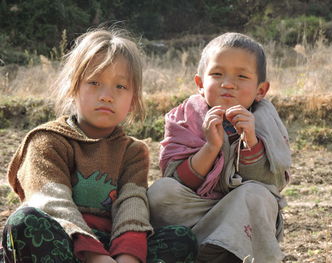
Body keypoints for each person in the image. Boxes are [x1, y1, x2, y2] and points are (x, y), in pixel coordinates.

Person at [0, 27, 197, 263]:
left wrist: (127, 258)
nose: (106, 95)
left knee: (182, 239)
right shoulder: (47, 140)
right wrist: (96, 258)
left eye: (120, 87)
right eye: (94, 82)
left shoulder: (132, 151)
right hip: (62, 241)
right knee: (25, 223)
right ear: (74, 87)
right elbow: (52, 202)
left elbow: (132, 206)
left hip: (113, 247)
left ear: (133, 99)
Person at [147, 32, 291, 263]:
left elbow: (270, 182)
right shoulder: (185, 117)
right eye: (216, 74)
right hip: (195, 211)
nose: (228, 84)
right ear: (200, 84)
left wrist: (251, 141)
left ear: (261, 90)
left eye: (242, 76)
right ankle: (183, 248)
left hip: (238, 213)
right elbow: (178, 179)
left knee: (256, 195)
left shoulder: (266, 122)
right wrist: (211, 146)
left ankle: (226, 252)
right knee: (161, 191)